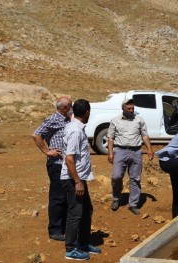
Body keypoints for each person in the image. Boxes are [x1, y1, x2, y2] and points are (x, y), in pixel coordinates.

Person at [60, 99, 101, 261]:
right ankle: (70, 249)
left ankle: (83, 243)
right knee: (75, 213)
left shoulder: (76, 127)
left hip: (78, 178)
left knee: (86, 210)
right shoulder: (76, 131)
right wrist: (77, 181)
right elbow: (69, 159)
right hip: (72, 179)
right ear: (87, 112)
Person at [32, 96, 72, 241]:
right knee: (57, 197)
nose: (71, 108)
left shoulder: (67, 119)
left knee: (66, 196)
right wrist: (46, 150)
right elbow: (36, 134)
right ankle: (54, 230)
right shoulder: (53, 118)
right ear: (64, 108)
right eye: (70, 106)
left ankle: (63, 227)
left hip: (65, 163)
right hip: (56, 164)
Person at [107, 99, 154, 215]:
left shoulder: (139, 120)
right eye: (129, 108)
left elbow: (145, 136)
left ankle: (133, 204)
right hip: (120, 151)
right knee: (117, 176)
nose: (131, 110)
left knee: (135, 178)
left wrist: (149, 149)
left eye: (133, 108)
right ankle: (116, 198)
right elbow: (110, 138)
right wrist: (110, 152)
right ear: (123, 108)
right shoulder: (115, 120)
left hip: (136, 151)